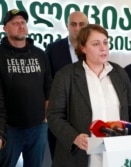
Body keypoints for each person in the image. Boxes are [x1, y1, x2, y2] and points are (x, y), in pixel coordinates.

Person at [47, 24, 131, 167]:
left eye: (105, 42)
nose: (103, 47)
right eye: (96, 44)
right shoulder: (65, 75)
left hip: (115, 153)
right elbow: (54, 116)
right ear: (83, 48)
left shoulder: (119, 72)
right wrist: (74, 137)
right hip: (79, 156)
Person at [0, 9, 52, 167]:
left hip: (38, 128)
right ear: (5, 29)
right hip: (10, 128)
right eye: (15, 23)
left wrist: (45, 117)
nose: (21, 26)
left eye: (23, 22)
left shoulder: (39, 54)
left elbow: (48, 86)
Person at [45, 11, 88, 160]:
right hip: (60, 112)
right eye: (73, 24)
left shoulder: (92, 49)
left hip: (86, 114)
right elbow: (47, 80)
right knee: (60, 156)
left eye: (81, 24)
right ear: (67, 26)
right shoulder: (53, 49)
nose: (77, 28)